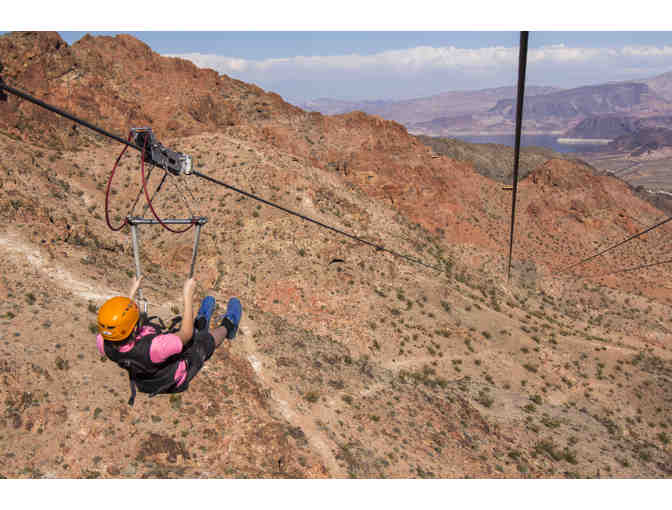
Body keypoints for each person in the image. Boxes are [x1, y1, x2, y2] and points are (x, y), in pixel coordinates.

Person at [96, 275, 242, 405]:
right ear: (134, 329)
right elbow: (186, 334)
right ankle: (229, 326)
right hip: (175, 377)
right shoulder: (156, 347)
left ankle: (200, 324)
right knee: (204, 342)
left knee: (185, 334)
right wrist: (188, 297)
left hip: (147, 379)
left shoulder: (103, 342)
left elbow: (119, 327)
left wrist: (130, 295)